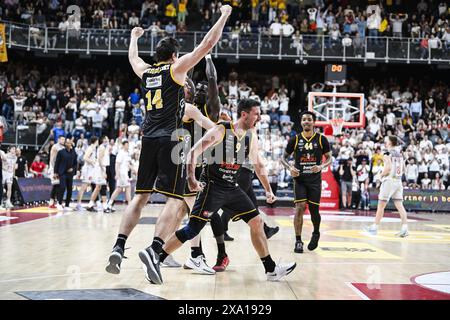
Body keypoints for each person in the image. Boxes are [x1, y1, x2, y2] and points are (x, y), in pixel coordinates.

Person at [106, 5, 233, 275]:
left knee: (139, 198)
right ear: (174, 56)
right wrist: (224, 15)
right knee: (176, 200)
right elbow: (207, 45)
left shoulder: (147, 72)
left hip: (147, 139)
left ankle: (118, 245)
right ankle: (155, 249)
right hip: (170, 140)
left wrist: (134, 37)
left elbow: (133, 60)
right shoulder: (175, 71)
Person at [138, 99, 296, 284]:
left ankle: (271, 270)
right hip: (212, 187)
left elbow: (258, 164)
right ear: (244, 114)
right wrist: (191, 178)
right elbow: (193, 153)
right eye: (256, 114)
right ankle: (156, 257)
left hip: (232, 188)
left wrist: (268, 190)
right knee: (192, 229)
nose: (259, 117)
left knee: (257, 221)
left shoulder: (250, 136)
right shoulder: (222, 130)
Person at [281, 111, 332, 253]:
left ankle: (316, 233)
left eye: (309, 119)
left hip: (315, 181)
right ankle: (298, 241)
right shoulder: (295, 139)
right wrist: (290, 167)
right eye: (304, 119)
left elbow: (329, 158)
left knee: (314, 211)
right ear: (301, 122)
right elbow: (283, 158)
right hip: (300, 180)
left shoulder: (322, 139)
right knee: (300, 207)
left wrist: (321, 166)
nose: (306, 122)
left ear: (314, 122)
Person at [365, 136, 409, 237]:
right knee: (400, 206)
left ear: (389, 142)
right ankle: (405, 228)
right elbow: (403, 169)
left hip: (389, 181)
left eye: (386, 140)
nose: (385, 141)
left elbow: (388, 168)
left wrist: (380, 176)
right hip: (398, 181)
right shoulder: (399, 154)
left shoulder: (386, 153)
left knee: (381, 205)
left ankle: (374, 227)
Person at [105, 140, 132, 211]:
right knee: (128, 188)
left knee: (118, 189)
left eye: (128, 145)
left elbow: (128, 164)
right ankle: (130, 206)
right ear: (123, 145)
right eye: (126, 145)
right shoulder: (121, 153)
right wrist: (117, 174)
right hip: (122, 174)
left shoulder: (127, 153)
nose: (127, 146)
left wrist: (134, 170)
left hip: (125, 173)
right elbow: (117, 164)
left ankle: (109, 203)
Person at [75, 136, 99, 211]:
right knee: (83, 187)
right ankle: (78, 204)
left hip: (91, 170)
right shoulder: (90, 148)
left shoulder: (93, 149)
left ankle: (93, 203)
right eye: (97, 141)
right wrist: (93, 162)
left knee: (95, 185)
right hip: (87, 170)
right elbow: (85, 158)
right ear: (95, 141)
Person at [54, 137, 77, 210]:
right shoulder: (61, 152)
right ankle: (59, 203)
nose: (69, 144)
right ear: (65, 144)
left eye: (70, 142)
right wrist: (55, 172)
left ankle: (67, 205)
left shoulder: (73, 152)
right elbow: (57, 163)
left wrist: (73, 169)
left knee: (70, 189)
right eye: (67, 142)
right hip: (62, 173)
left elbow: (75, 163)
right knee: (62, 187)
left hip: (70, 174)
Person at [48, 136, 66, 208]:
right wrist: (54, 170)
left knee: (57, 185)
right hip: (54, 169)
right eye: (62, 139)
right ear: (58, 139)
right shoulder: (55, 147)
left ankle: (52, 202)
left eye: (64, 139)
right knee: (56, 185)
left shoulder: (63, 148)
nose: (63, 140)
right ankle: (57, 202)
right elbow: (52, 159)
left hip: (60, 169)